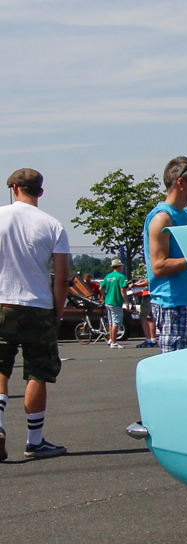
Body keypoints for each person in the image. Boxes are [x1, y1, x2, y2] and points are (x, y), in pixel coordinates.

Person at [0, 168, 70, 461]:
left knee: (1, 368)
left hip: (2, 303)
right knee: (37, 372)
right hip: (38, 306)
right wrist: (57, 312)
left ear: (14, 188)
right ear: (40, 192)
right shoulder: (53, 225)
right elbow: (62, 277)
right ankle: (34, 441)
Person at [144, 156, 187, 353]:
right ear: (181, 182)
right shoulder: (162, 218)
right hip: (173, 305)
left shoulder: (185, 215)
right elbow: (159, 267)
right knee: (176, 365)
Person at [101, 258, 127, 349]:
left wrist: (104, 296)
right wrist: (126, 301)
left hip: (108, 301)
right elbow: (122, 290)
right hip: (116, 301)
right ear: (119, 267)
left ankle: (111, 339)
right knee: (116, 322)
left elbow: (101, 288)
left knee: (111, 321)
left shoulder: (107, 276)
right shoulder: (121, 277)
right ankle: (114, 342)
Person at [128, 275, 157, 347]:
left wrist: (135, 285)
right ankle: (153, 339)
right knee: (150, 318)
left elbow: (147, 283)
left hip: (148, 296)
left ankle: (148, 340)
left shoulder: (150, 271)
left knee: (143, 317)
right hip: (153, 295)